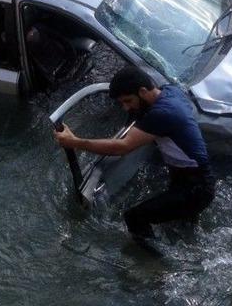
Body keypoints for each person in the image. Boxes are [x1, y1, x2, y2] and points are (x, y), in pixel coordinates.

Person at [53, 66, 215, 244]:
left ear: (143, 91)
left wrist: (75, 142)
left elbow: (122, 147)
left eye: (128, 101)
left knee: (134, 218)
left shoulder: (161, 114)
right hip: (194, 179)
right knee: (180, 222)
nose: (125, 108)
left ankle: (152, 266)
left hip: (195, 188)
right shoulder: (170, 92)